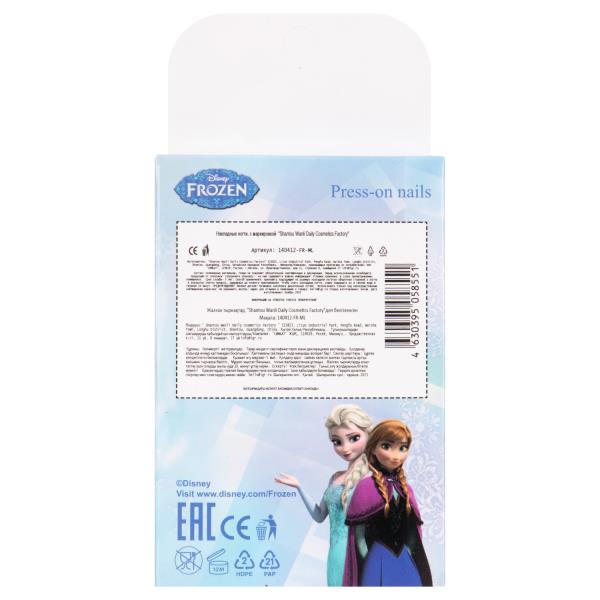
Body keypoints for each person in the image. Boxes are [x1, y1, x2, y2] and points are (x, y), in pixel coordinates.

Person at [275, 404, 374, 586]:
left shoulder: (371, 479)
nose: (345, 448)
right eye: (337, 441)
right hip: (335, 554)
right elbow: (319, 516)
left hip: (358, 553)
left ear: (369, 435)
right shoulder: (335, 478)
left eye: (354, 438)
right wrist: (299, 487)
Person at [342, 419, 432, 586]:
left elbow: (413, 535)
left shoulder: (406, 489)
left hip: (405, 562)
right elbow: (358, 537)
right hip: (377, 562)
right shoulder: (365, 487)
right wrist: (370, 563)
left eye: (402, 448)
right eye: (386, 446)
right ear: (373, 449)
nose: (395, 455)